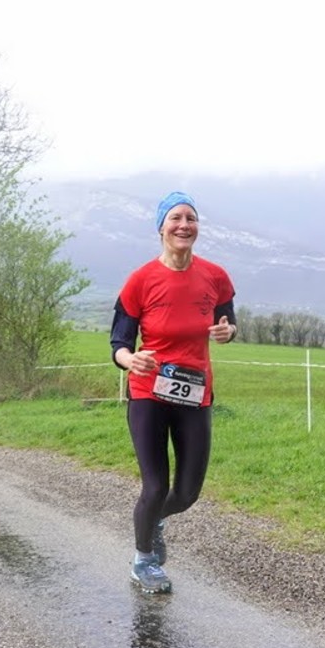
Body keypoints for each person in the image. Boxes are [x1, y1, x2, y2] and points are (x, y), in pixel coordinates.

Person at [110, 191, 237, 594]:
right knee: (155, 487)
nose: (184, 225)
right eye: (176, 218)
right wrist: (131, 360)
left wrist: (228, 332)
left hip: (194, 394)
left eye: (191, 218)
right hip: (149, 391)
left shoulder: (216, 276)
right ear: (161, 227)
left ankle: (154, 522)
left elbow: (228, 322)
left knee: (186, 493)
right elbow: (119, 343)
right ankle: (143, 560)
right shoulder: (141, 280)